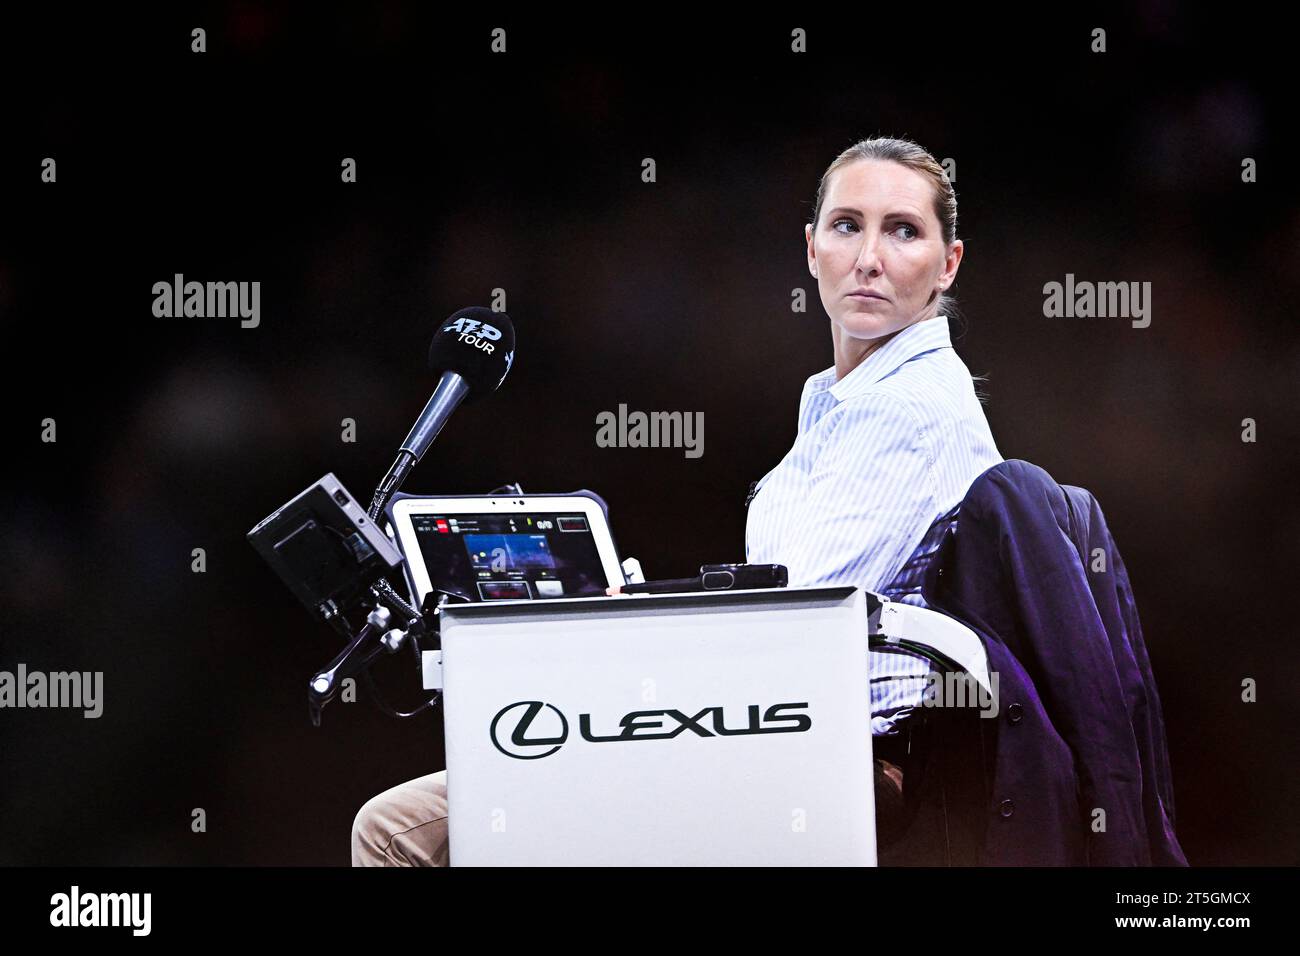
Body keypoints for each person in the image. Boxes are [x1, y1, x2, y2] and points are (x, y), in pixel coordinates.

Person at [351, 135, 1001, 866]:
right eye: (848, 225)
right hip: (764, 739)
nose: (870, 256)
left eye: (904, 230)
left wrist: (643, 633)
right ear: (812, 248)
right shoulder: (838, 402)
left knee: (393, 833)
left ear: (948, 263)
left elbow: (799, 637)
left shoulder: (913, 409)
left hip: (821, 764)